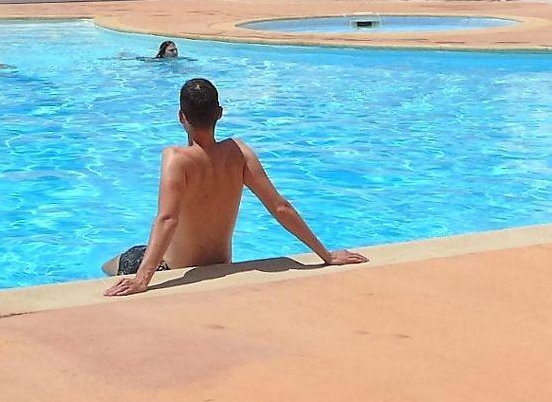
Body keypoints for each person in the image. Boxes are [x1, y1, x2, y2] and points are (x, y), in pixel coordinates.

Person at [104, 77, 366, 297]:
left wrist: (142, 279)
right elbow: (279, 206)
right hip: (222, 263)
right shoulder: (240, 152)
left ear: (181, 116)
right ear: (219, 113)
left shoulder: (176, 158)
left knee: (110, 265)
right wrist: (327, 255)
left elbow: (167, 219)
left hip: (172, 268)